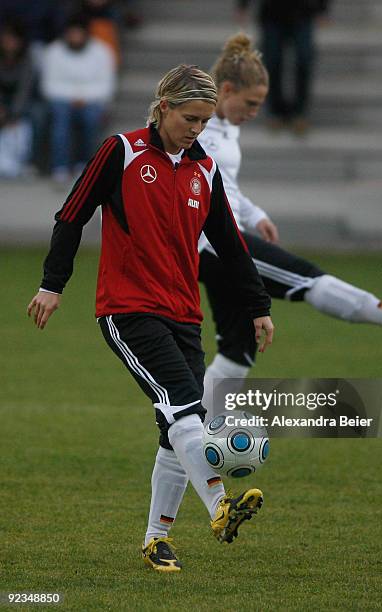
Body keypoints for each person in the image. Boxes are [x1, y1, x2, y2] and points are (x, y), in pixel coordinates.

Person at [27, 64, 274, 572]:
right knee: (186, 409)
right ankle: (220, 506)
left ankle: (156, 540)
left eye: (205, 121)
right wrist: (53, 285)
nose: (197, 129)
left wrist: (258, 306)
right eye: (190, 118)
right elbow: (72, 214)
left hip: (184, 312)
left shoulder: (204, 169)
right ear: (163, 107)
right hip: (127, 308)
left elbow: (229, 241)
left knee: (173, 430)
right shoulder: (121, 150)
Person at [197, 34, 382, 415]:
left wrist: (255, 215)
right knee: (308, 279)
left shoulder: (225, 127)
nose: (254, 112)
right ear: (226, 90)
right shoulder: (200, 129)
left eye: (260, 105)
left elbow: (224, 185)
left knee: (238, 351)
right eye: (250, 103)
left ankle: (194, 435)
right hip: (216, 246)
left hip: (222, 239)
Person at [40, 13, 116, 183]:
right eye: (71, 33)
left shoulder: (102, 52)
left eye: (78, 33)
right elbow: (48, 86)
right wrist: (73, 97)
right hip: (62, 102)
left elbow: (106, 86)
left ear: (86, 34)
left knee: (91, 118)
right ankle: (60, 167)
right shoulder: (53, 52)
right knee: (61, 121)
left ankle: (84, 164)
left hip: (91, 102)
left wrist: (83, 97)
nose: (75, 37)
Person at [236, 0, 331, 133]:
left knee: (304, 60)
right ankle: (276, 111)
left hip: (303, 12)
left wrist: (323, 7)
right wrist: (243, 5)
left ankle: (299, 112)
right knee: (273, 62)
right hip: (271, 13)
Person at [0, 20, 34, 177]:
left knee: (37, 115)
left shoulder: (27, 59)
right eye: (6, 38)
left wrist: (13, 114)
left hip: (21, 103)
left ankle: (27, 161)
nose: (9, 43)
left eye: (13, 39)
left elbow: (24, 91)